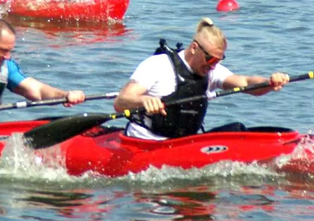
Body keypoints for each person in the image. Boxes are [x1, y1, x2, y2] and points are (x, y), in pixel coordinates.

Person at [114, 17, 290, 140]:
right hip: (146, 143)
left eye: (218, 60)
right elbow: (121, 101)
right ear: (193, 48)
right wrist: (144, 100)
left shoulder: (212, 70)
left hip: (181, 143)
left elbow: (245, 83)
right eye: (210, 59)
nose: (213, 65)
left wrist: (269, 82)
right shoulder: (157, 65)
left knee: (237, 129)